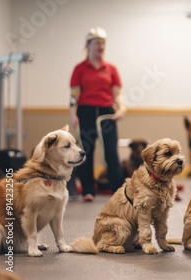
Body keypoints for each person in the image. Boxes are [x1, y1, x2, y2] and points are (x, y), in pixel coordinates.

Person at [69, 27, 126, 202]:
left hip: (106, 113)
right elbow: (74, 96)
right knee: (86, 150)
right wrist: (73, 114)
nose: (101, 46)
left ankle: (117, 190)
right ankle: (88, 189)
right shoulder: (80, 69)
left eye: (103, 43)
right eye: (97, 43)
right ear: (89, 45)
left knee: (111, 152)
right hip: (85, 110)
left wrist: (122, 108)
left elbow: (117, 94)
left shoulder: (111, 68)